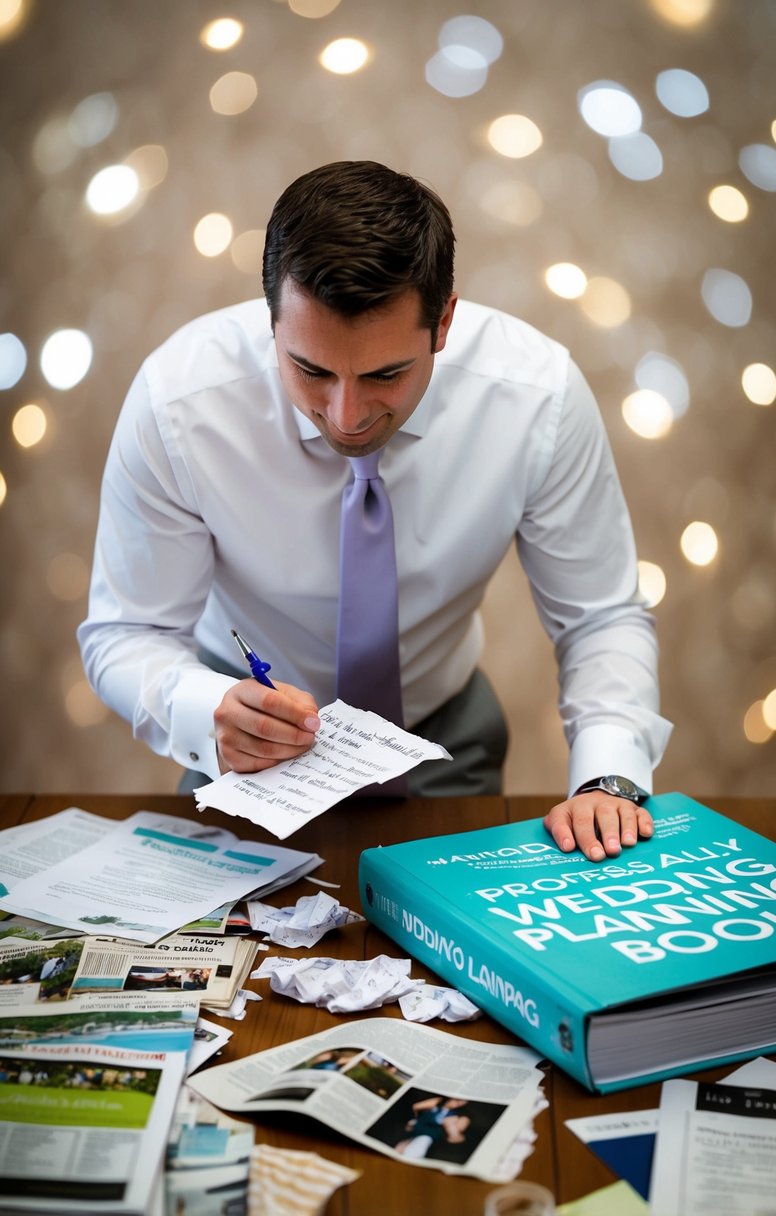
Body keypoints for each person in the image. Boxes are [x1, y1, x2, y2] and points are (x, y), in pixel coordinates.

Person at [79, 160, 672, 861]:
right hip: (242, 746)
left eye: (385, 374)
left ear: (443, 321)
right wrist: (200, 709)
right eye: (311, 370)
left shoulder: (536, 398)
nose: (347, 415)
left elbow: (599, 614)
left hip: (446, 738)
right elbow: (128, 630)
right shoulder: (178, 404)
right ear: (270, 318)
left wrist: (609, 776)